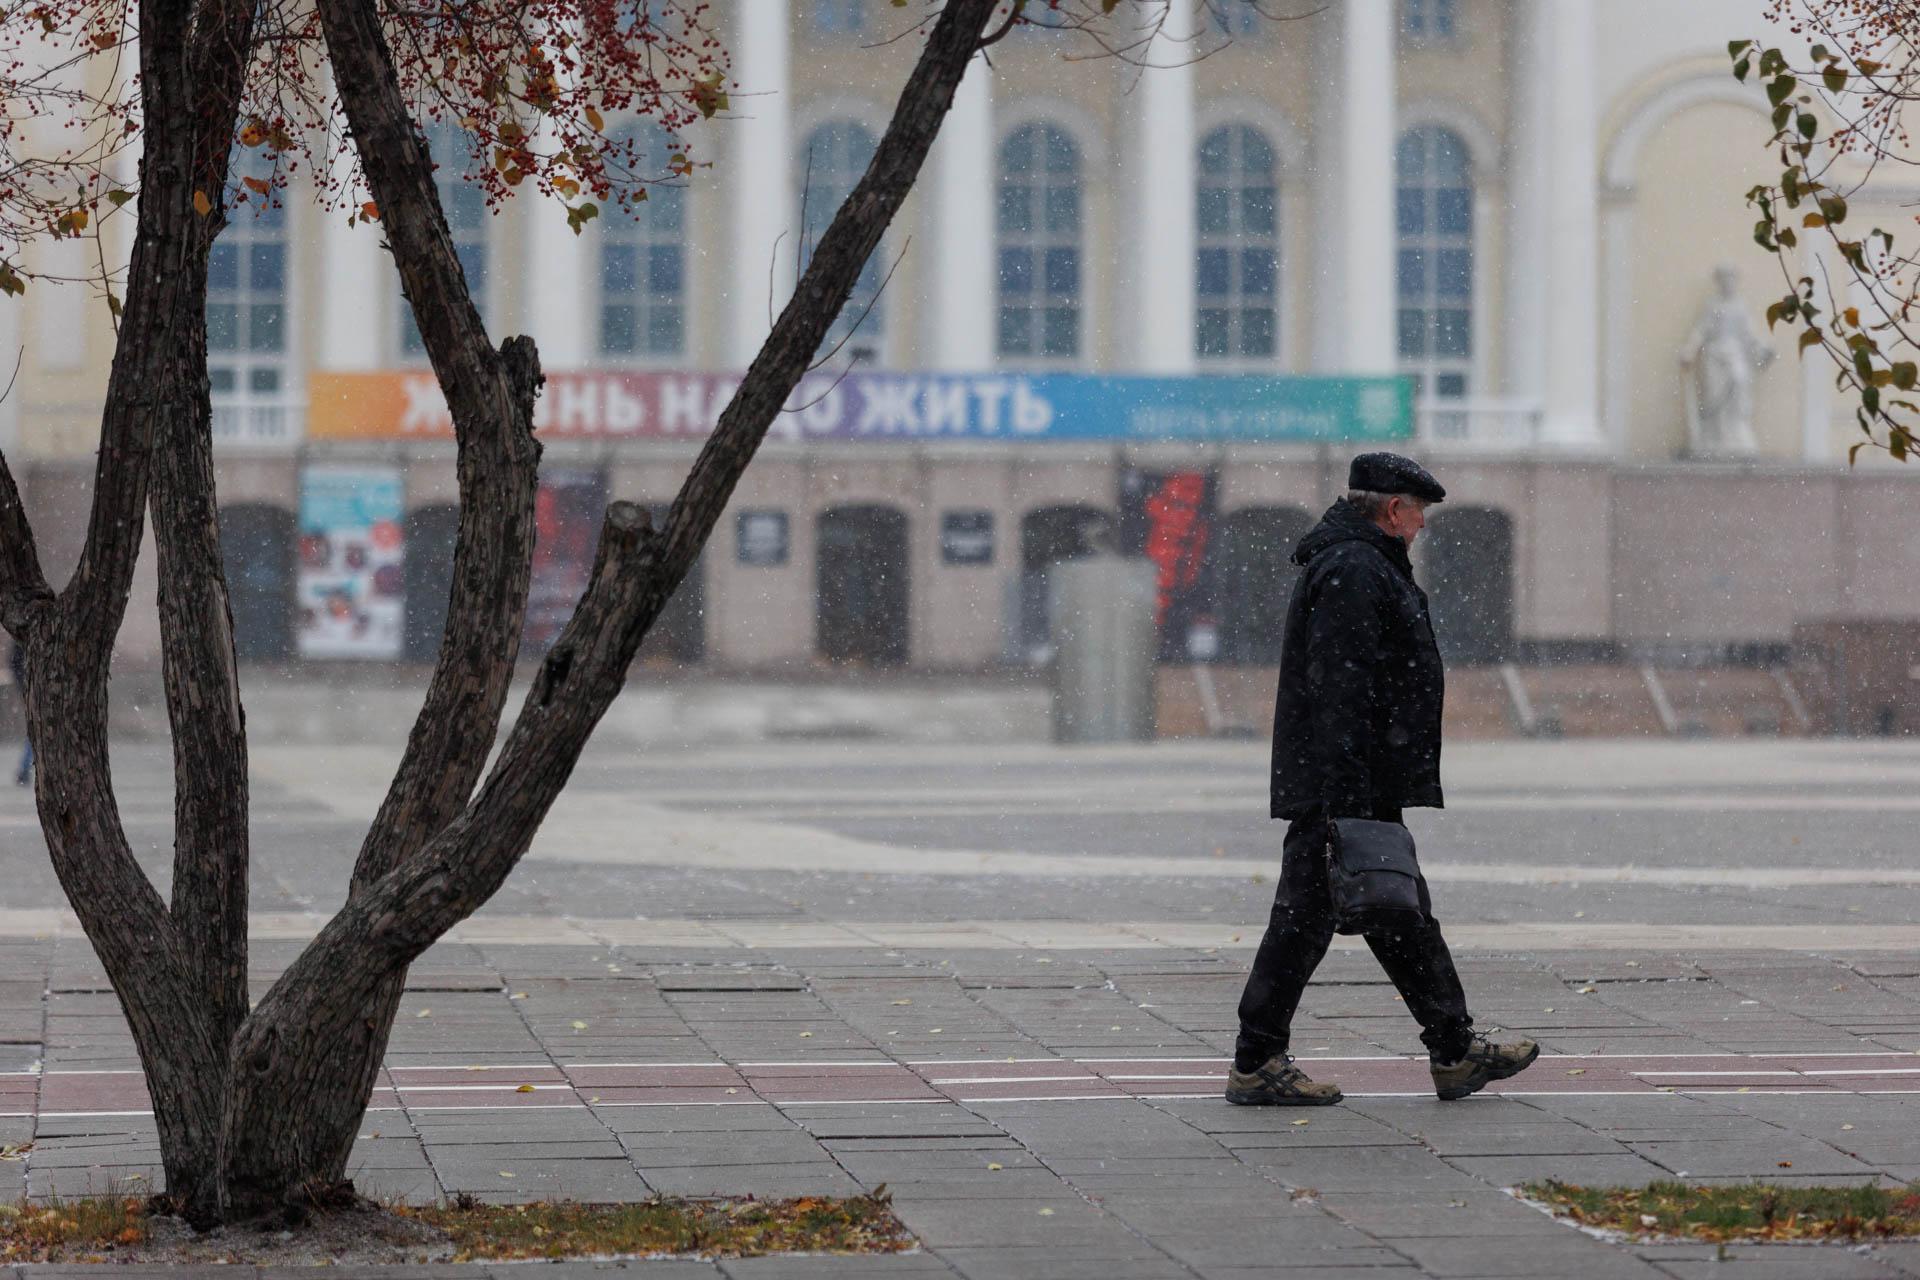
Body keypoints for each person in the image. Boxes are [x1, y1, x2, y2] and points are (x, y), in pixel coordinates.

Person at [1226, 452, 1537, 1107]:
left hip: (1357, 781)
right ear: (1393, 510)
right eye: (1418, 512)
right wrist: (1347, 797)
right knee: (1326, 922)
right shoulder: (1354, 568)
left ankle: (1453, 1048)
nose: (1422, 525)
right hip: (1345, 786)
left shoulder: (1362, 562)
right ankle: (1259, 1062)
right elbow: (1342, 686)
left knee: (1391, 915)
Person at [9, 641, 28, 787]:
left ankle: (24, 769)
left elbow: (13, 663)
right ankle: (24, 769)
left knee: (35, 732)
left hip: (27, 688)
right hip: (29, 689)